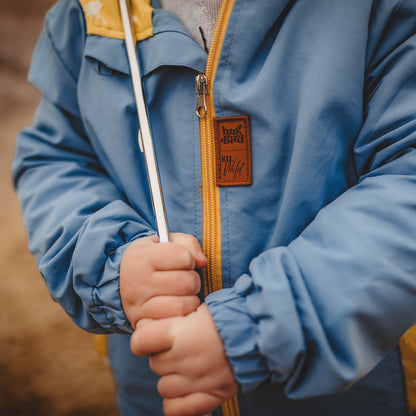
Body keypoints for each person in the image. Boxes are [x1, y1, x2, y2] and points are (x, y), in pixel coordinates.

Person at [12, 0, 416, 415]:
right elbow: (56, 158)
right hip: (157, 388)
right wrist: (112, 259)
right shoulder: (88, 14)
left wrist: (261, 326)